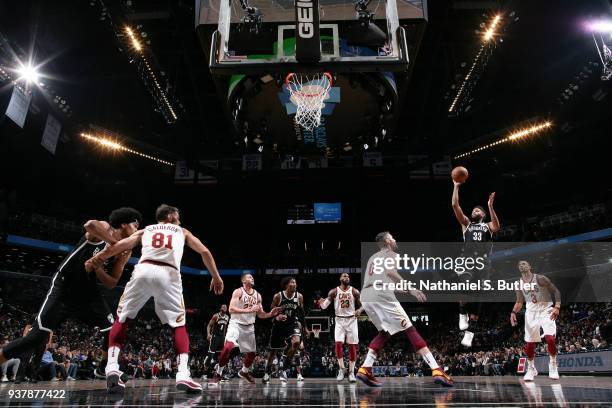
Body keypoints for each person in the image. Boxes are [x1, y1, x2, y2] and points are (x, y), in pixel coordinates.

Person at [88, 204, 224, 394]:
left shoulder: (146, 230)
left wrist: (99, 257)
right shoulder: (182, 231)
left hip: (143, 270)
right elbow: (205, 252)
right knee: (178, 325)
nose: (180, 219)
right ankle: (183, 374)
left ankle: (111, 366)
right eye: (177, 215)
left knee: (123, 318)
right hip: (168, 273)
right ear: (169, 216)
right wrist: (216, 277)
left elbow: (120, 245)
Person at [0, 208, 141, 375]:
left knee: (112, 330)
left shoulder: (125, 251)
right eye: (135, 225)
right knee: (35, 338)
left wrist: (98, 269)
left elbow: (111, 283)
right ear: (123, 224)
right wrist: (112, 244)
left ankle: (104, 369)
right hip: (64, 286)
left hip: (88, 292)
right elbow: (90, 225)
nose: (137, 229)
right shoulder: (105, 228)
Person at [357, 232, 453, 387]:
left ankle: (365, 368)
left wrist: (407, 290)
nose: (395, 239)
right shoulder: (392, 254)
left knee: (384, 333)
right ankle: (436, 369)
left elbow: (383, 283)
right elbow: (391, 273)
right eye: (393, 237)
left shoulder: (372, 258)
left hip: (366, 295)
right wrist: (412, 289)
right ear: (387, 241)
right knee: (410, 329)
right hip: (381, 293)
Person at [451, 181, 500, 347]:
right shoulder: (467, 225)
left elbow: (497, 226)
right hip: (467, 260)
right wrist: (456, 186)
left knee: (478, 300)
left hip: (483, 264)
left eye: (478, 210)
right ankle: (461, 312)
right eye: (473, 210)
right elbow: (455, 205)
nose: (474, 211)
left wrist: (490, 206)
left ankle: (469, 334)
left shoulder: (487, 226)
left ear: (483, 214)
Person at [209, 273, 280, 385]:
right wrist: (250, 310)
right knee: (227, 348)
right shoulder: (238, 292)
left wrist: (271, 314)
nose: (252, 278)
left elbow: (261, 315)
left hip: (249, 326)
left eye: (252, 277)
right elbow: (231, 309)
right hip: (236, 324)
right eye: (249, 277)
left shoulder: (258, 295)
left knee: (252, 354)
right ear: (243, 281)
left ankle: (244, 372)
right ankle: (218, 373)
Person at [510, 260, 561, 381]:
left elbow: (556, 291)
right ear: (519, 269)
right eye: (520, 265)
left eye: (524, 264)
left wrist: (557, 307)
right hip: (531, 313)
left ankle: (553, 364)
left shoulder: (540, 278)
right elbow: (519, 301)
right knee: (530, 345)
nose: (522, 265)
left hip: (546, 310)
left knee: (550, 339)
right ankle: (531, 368)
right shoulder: (518, 283)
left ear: (530, 266)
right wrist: (513, 312)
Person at [317, 273, 363, 382]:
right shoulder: (334, 291)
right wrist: (321, 302)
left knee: (352, 346)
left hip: (352, 320)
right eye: (344, 276)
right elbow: (324, 306)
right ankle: (342, 369)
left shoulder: (354, 291)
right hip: (339, 320)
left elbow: (363, 304)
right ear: (340, 279)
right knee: (338, 344)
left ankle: (351, 372)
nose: (346, 277)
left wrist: (359, 310)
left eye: (348, 276)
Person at [263, 277, 309, 383]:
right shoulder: (278, 296)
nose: (295, 284)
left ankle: (284, 369)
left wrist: (305, 327)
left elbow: (301, 312)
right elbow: (271, 310)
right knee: (273, 351)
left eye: (295, 282)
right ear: (286, 285)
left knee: (296, 342)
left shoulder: (299, 296)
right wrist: (277, 317)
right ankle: (267, 372)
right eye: (292, 282)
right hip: (279, 325)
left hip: (292, 323)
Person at [202, 304, 229, 379]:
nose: (224, 308)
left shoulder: (227, 317)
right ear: (220, 308)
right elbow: (209, 325)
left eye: (226, 307)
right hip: (215, 337)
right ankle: (204, 373)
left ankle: (220, 373)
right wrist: (208, 334)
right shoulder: (216, 316)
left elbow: (225, 329)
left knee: (224, 356)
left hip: (222, 338)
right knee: (210, 356)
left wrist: (226, 337)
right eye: (223, 307)